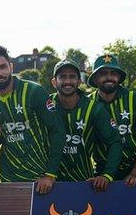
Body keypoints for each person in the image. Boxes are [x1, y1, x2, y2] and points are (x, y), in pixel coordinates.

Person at [0, 46, 64, 194]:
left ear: (11, 66)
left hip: (41, 178)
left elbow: (57, 131)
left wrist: (50, 175)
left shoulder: (33, 92)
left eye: (2, 67)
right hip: (9, 178)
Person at [50, 60, 121, 191]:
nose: (67, 81)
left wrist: (107, 175)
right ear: (54, 82)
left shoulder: (94, 108)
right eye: (62, 77)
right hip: (51, 183)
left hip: (85, 183)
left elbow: (115, 141)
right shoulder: (46, 105)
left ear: (79, 81)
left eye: (72, 77)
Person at [87, 54, 136, 186]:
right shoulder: (87, 103)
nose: (109, 77)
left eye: (113, 73)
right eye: (103, 73)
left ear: (120, 77)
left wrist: (135, 173)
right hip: (102, 173)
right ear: (95, 78)